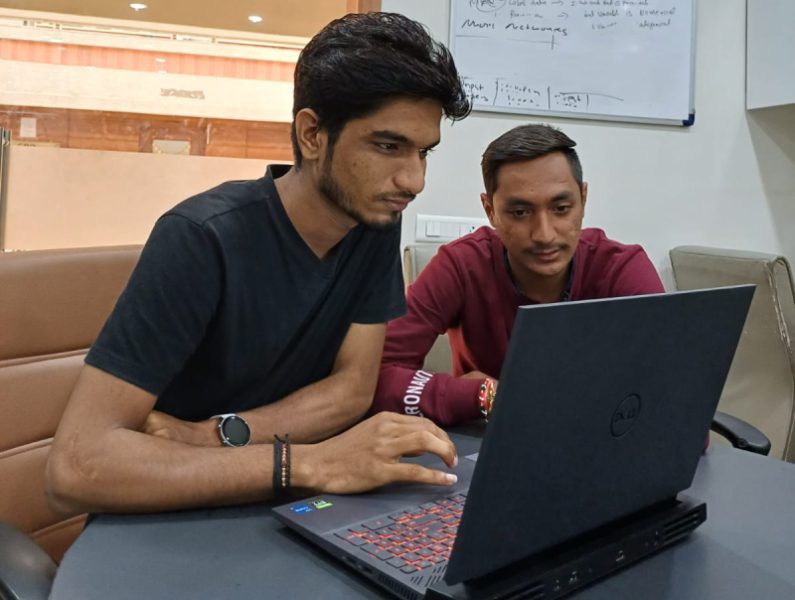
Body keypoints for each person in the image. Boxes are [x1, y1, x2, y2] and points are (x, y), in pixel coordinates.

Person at [46, 12, 471, 515]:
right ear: (312, 135)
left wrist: (212, 436)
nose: (413, 181)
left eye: (424, 152)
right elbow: (76, 467)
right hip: (167, 511)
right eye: (387, 146)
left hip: (271, 501)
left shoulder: (372, 220)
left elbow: (351, 390)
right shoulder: (201, 237)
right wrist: (305, 463)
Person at [373, 124, 665, 426]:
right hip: (488, 441)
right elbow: (376, 378)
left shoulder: (621, 269)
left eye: (561, 208)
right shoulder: (461, 266)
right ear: (490, 210)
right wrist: (484, 395)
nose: (544, 235)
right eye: (520, 213)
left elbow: (675, 392)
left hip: (600, 440)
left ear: (583, 198)